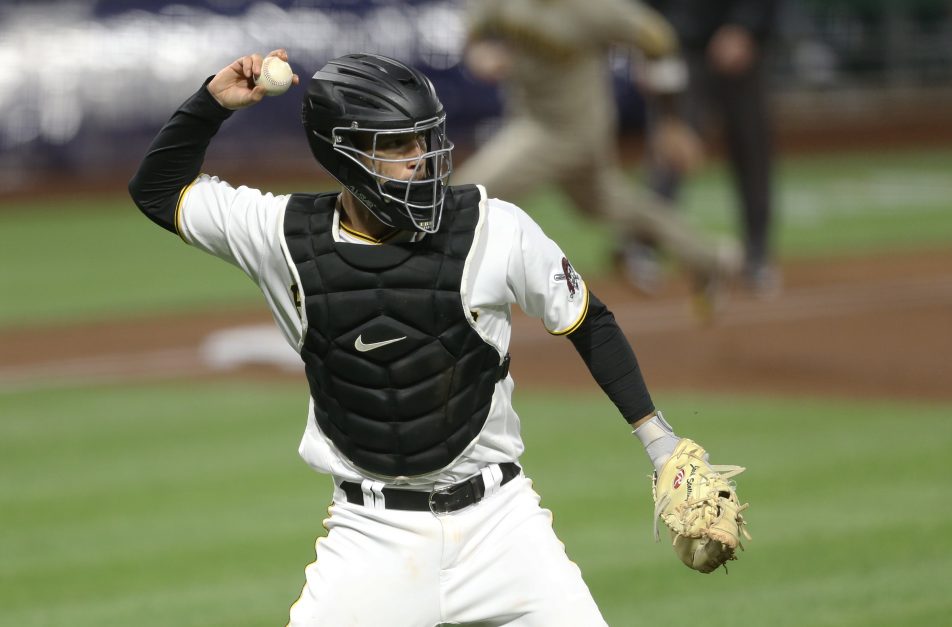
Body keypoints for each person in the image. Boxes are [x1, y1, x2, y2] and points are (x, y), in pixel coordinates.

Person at [127, 49, 699, 626]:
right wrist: (211, 103)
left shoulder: (493, 226)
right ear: (342, 152)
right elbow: (157, 191)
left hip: (502, 528)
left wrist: (661, 445)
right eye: (397, 145)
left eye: (425, 141)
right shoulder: (278, 235)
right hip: (371, 536)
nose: (420, 159)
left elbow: (587, 320)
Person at [452, 0, 740, 312]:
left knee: (465, 196)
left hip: (570, 130)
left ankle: (440, 302)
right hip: (532, 120)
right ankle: (710, 259)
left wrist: (671, 121)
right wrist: (479, 51)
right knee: (607, 203)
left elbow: (658, 38)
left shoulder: (592, 7)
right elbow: (477, 26)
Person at [641, 0, 782, 295]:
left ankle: (756, 256)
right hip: (680, 43)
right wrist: (648, 46)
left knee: (752, 149)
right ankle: (645, 247)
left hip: (740, 45)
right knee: (672, 146)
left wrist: (746, 28)